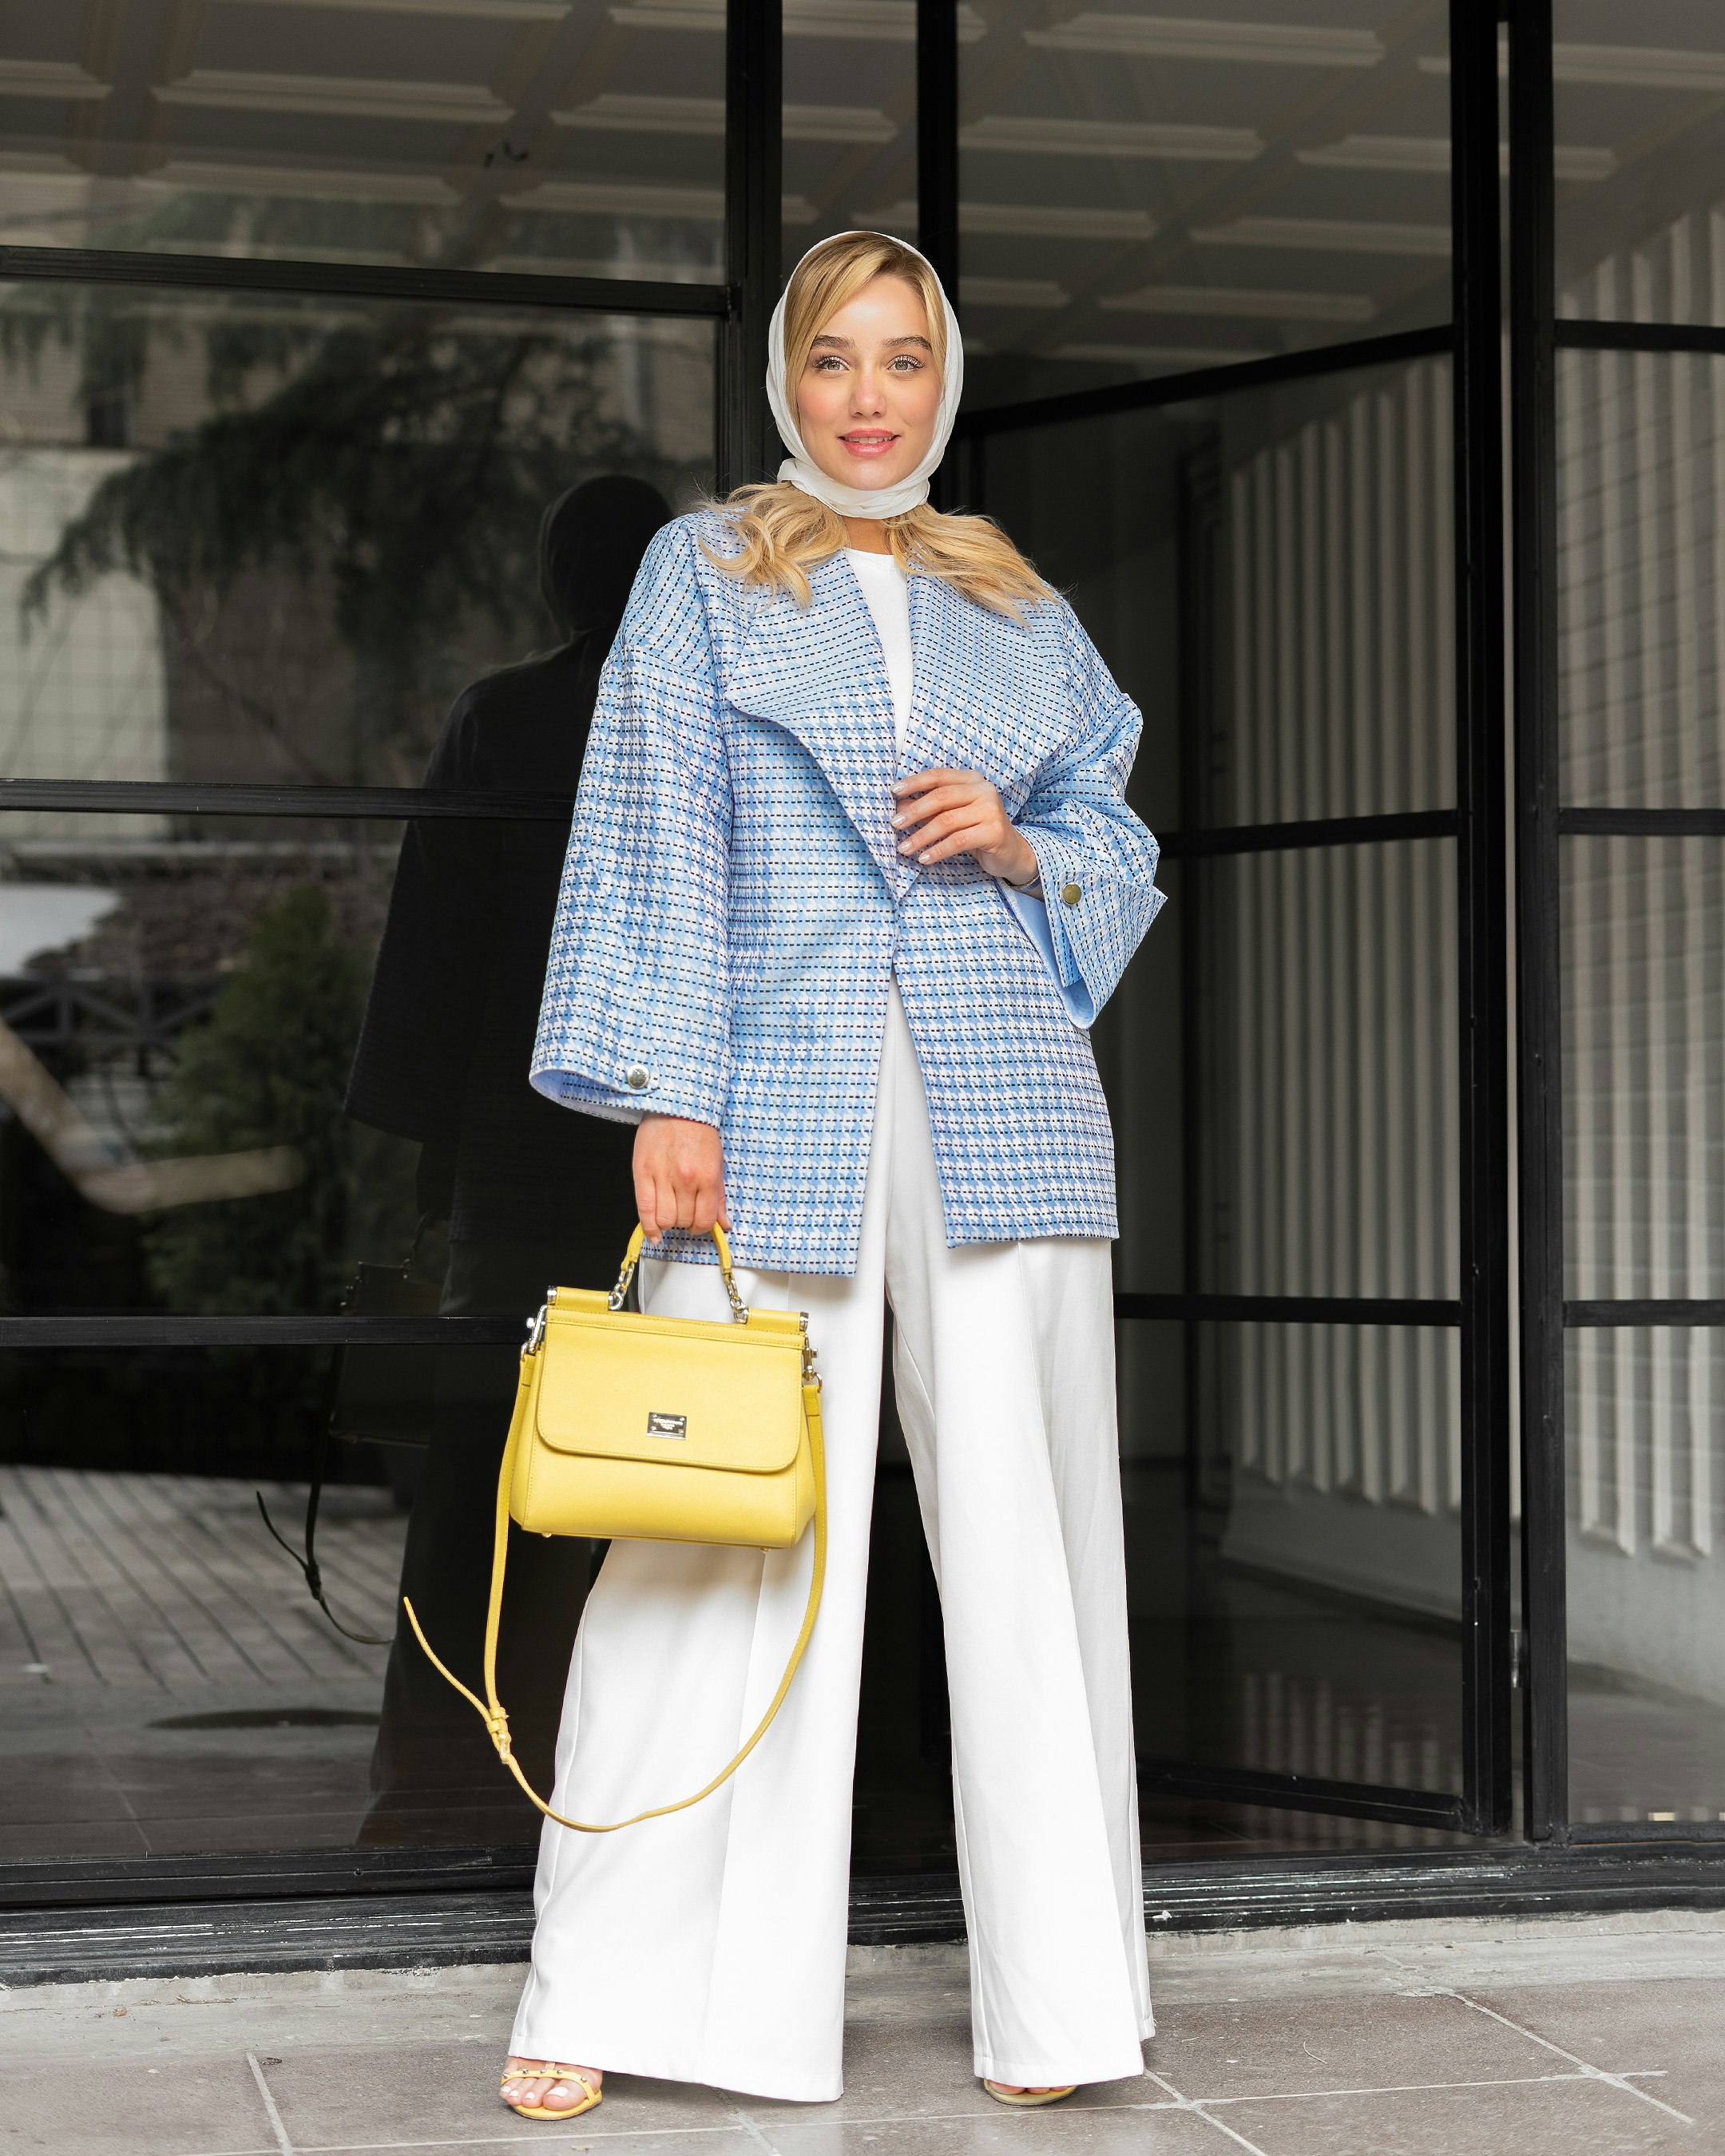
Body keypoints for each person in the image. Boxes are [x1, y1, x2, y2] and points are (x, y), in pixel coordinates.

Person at [500, 232, 1165, 2116]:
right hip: (777, 1092)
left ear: (944, 379)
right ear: (783, 382)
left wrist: (1026, 850)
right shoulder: (705, 572)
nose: (867, 397)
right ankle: (609, 1994)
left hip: (1005, 1103)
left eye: (899, 359)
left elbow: (1112, 830)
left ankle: (1061, 2009)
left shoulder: (1017, 604)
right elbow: (648, 827)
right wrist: (662, 1090)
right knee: (716, 1547)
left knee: (1035, 1561)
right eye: (829, 360)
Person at [345, 476, 670, 1841]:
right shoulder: (691, 713)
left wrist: (419, 1165)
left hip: (514, 1144)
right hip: (671, 1144)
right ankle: (633, 1771)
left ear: (557, 587)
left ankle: (441, 1764)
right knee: (672, 1463)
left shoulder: (504, 715)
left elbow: (435, 948)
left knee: (487, 1469)